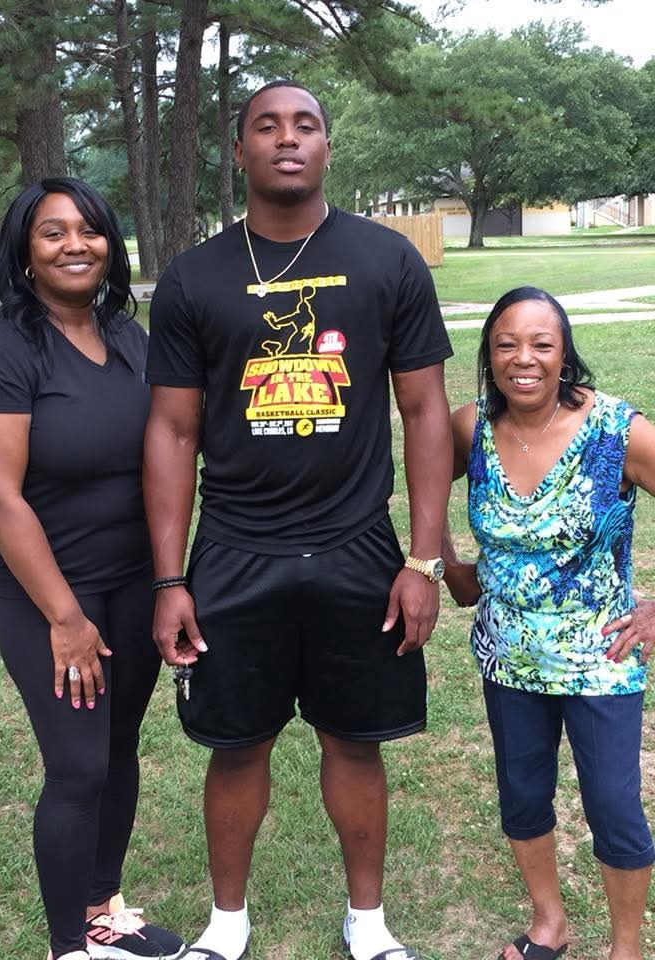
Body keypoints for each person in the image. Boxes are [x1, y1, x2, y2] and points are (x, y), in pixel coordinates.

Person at [144, 80, 453, 960]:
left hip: (359, 548)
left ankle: (369, 927)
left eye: (305, 125)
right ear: (238, 152)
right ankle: (226, 927)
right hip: (236, 551)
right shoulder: (195, 277)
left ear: (327, 147)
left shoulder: (388, 261)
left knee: (356, 743)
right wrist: (172, 579)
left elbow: (426, 413)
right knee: (236, 747)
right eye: (266, 127)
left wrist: (422, 562)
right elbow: (170, 431)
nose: (288, 139)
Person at [0, 178, 186, 960]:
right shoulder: (2, 348)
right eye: (53, 233)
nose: (75, 244)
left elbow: (169, 448)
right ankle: (67, 949)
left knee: (118, 746)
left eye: (89, 230)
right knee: (78, 765)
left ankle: (99, 910)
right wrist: (65, 617)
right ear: (23, 250)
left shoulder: (127, 335)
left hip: (128, 579)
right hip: (45, 589)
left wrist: (165, 581)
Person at [443, 286, 655, 960]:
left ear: (565, 356)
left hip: (600, 655)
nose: (523, 358)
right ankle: (549, 923)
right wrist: (444, 565)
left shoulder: (617, 431)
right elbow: (419, 494)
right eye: (506, 344)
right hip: (507, 655)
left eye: (541, 344)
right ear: (489, 354)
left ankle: (625, 949)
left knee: (615, 810)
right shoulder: (468, 426)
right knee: (523, 795)